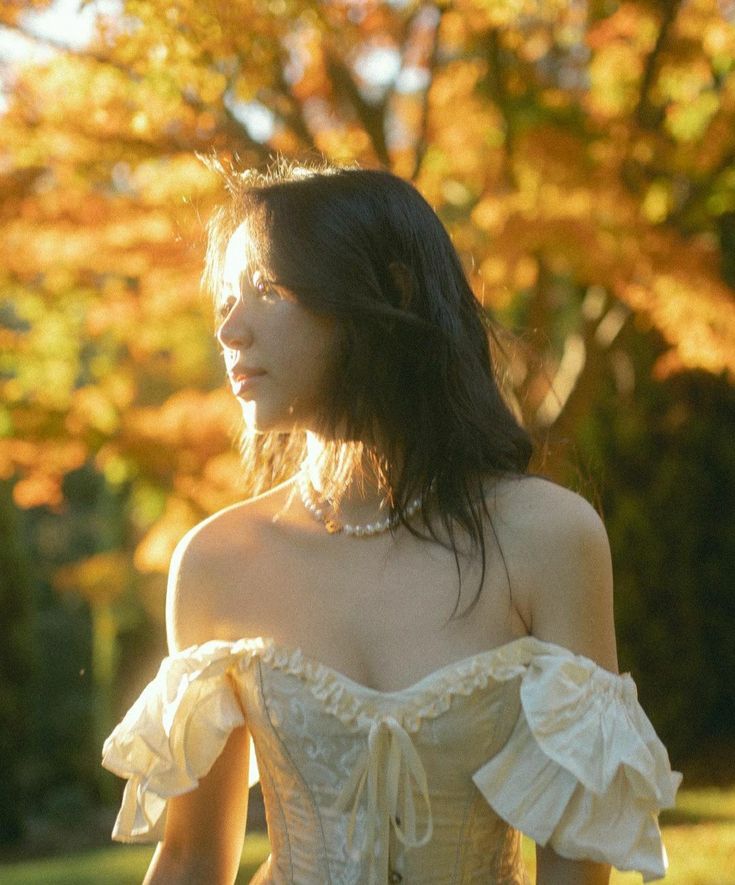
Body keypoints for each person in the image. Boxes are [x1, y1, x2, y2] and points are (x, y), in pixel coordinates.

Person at [102, 159, 681, 885]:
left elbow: (575, 855)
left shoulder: (547, 536)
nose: (228, 328)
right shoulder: (217, 559)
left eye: (267, 291)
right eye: (225, 298)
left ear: (388, 291)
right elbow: (191, 858)